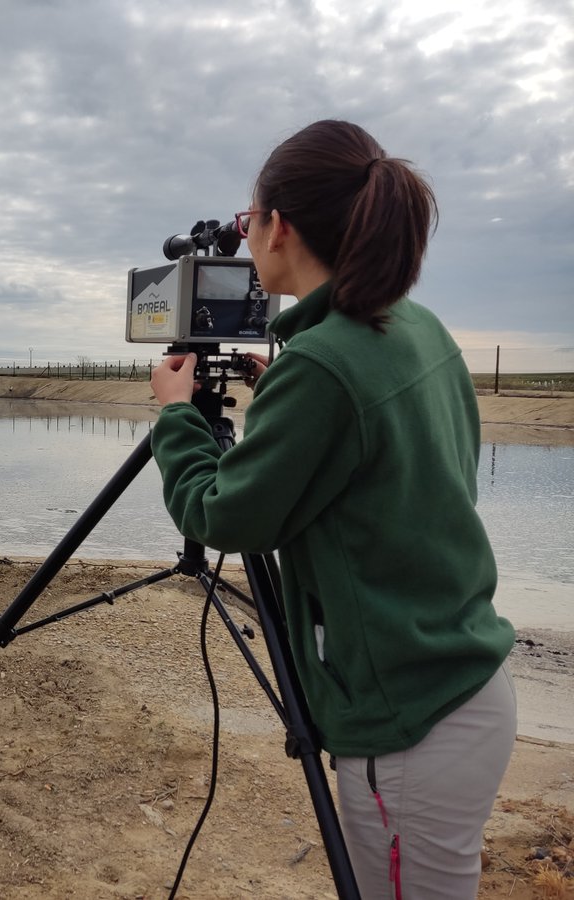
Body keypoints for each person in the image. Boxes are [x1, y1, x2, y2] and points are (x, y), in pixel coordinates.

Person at [149, 120, 516, 899]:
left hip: (407, 723)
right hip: (464, 679)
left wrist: (178, 417)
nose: (246, 240)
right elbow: (384, 454)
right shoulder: (414, 326)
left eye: (249, 222)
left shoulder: (322, 364)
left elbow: (220, 516)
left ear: (280, 227)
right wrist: (277, 386)